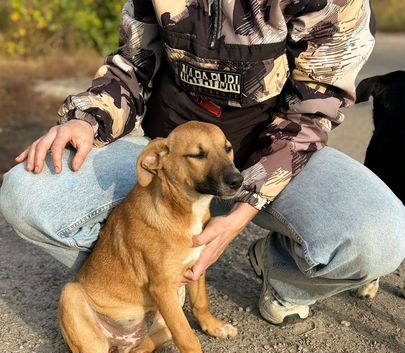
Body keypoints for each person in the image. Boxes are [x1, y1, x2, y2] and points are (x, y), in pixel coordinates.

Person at [1, 0, 404, 325]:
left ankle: (281, 276)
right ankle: (141, 280)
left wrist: (242, 212)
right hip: (171, 158)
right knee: (26, 192)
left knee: (380, 238)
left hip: (270, 156)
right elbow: (132, 64)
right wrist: (86, 118)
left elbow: (311, 113)